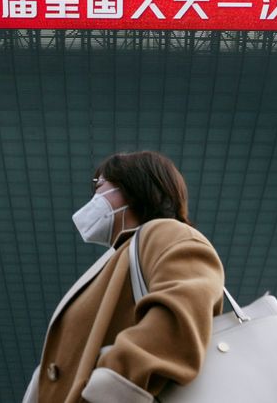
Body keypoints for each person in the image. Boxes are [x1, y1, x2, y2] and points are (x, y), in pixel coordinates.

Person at [24, 151, 225, 403]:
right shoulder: (117, 260)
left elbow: (180, 317)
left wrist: (108, 389)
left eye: (100, 183)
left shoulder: (166, 233)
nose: (93, 195)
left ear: (133, 184)